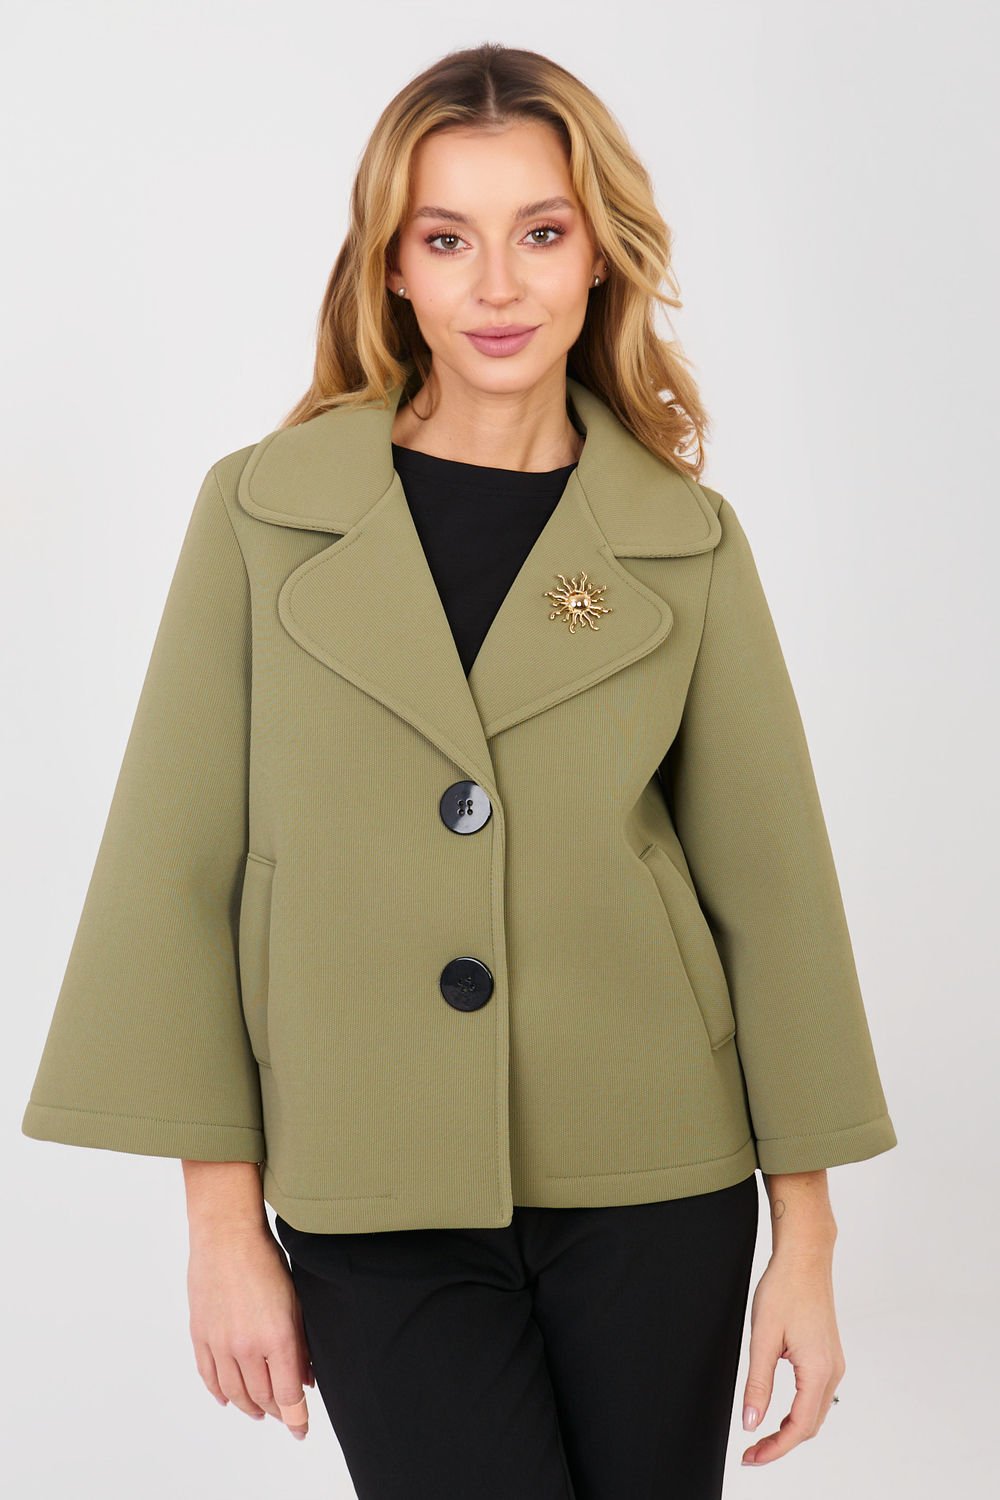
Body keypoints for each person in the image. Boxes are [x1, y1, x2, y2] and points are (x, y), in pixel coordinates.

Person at [22, 42, 897, 1499]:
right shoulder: (260, 516)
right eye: (447, 239)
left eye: (541, 233)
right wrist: (221, 1226)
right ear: (392, 267)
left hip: (656, 1178)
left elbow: (774, 891)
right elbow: (176, 870)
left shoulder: (685, 541)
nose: (498, 285)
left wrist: (805, 1242)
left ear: (600, 257)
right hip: (371, 1182)